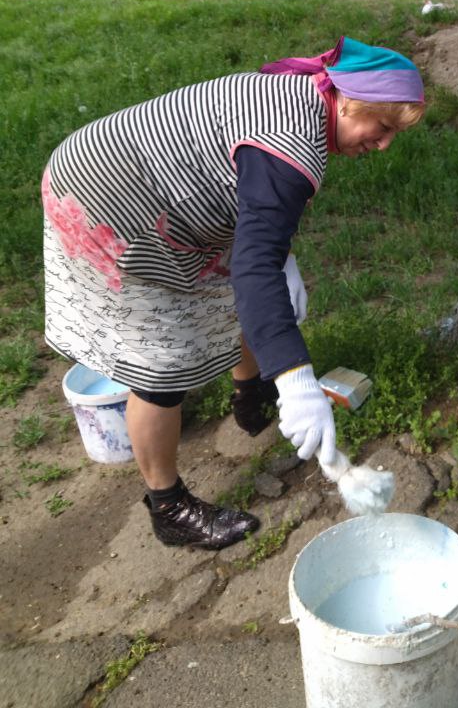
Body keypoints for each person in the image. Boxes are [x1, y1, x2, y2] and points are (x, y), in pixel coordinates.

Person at [43, 36, 425, 549]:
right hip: (107, 200)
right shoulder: (292, 149)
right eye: (381, 128)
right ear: (350, 100)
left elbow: (255, 222)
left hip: (142, 179)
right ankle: (169, 508)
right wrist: (297, 378)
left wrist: (280, 261)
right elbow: (254, 265)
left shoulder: (305, 93)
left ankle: (251, 396)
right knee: (161, 360)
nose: (383, 145)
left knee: (241, 293)